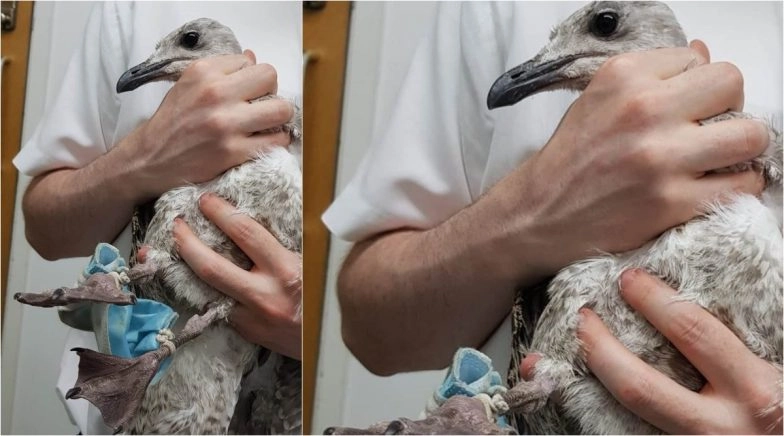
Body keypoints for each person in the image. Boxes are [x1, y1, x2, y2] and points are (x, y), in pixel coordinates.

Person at [322, 2, 782, 433]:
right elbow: (368, 331)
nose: (541, 64)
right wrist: (533, 205)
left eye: (604, 27)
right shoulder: (492, 9)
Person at [13, 2, 302, 433]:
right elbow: (43, 228)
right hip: (128, 402)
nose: (149, 65)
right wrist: (146, 155)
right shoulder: (129, 7)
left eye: (187, 43)